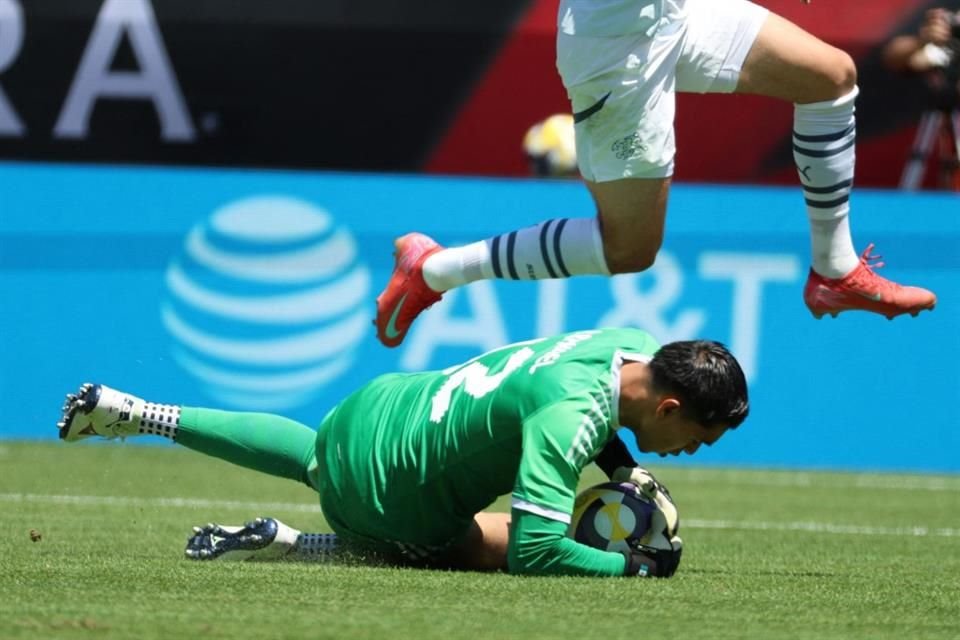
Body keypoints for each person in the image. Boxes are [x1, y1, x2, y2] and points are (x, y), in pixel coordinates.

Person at [374, 0, 938, 349]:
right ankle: (436, 267)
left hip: (673, 10)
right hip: (617, 47)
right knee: (629, 250)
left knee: (829, 76)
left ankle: (835, 270)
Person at [57, 327, 749, 577]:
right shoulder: (571, 417)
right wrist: (624, 565)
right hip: (386, 501)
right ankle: (299, 546)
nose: (687, 453)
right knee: (503, 540)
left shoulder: (623, 344)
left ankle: (137, 411)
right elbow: (539, 552)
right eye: (694, 438)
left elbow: (586, 412)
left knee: (315, 454)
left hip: (376, 409)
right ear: (668, 407)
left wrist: (626, 468)